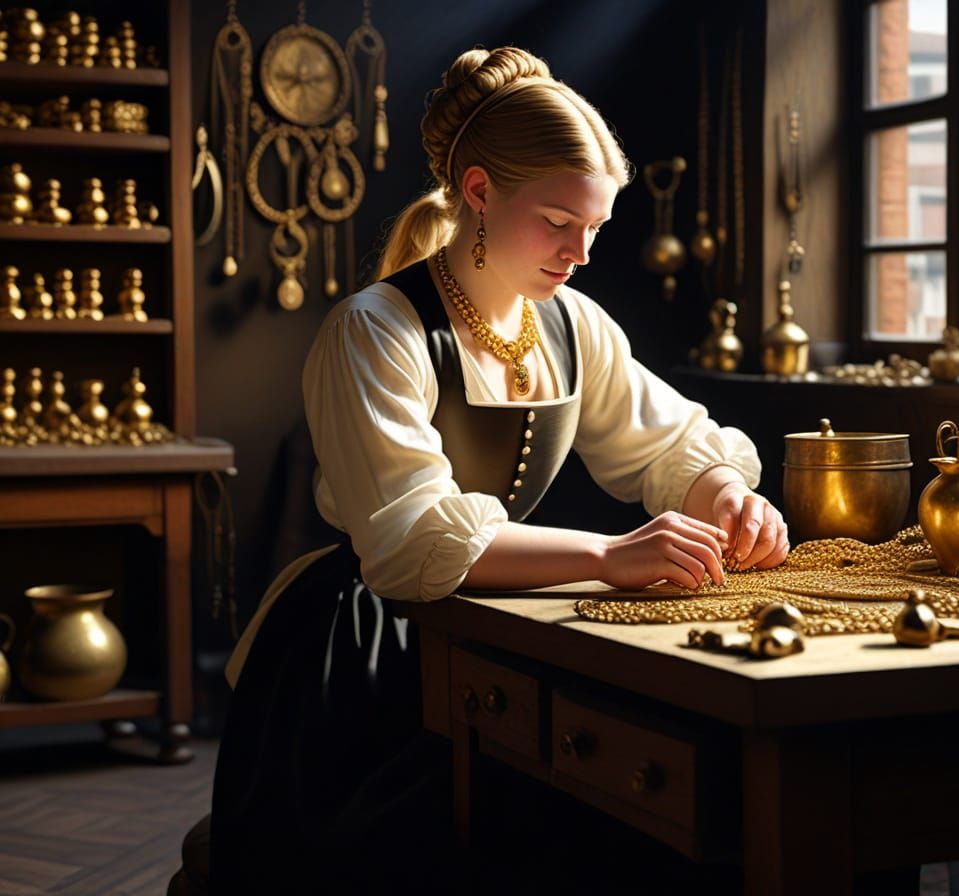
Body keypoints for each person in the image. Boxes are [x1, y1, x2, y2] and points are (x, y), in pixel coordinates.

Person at [208, 45, 788, 894]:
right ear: (478, 191)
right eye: (558, 222)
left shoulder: (572, 324)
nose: (581, 252)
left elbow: (666, 444)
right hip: (368, 654)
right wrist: (607, 557)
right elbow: (410, 544)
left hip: (499, 633)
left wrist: (728, 496)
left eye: (595, 228)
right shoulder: (375, 330)